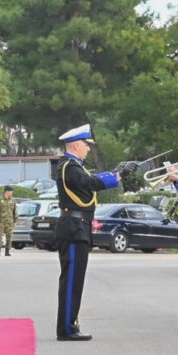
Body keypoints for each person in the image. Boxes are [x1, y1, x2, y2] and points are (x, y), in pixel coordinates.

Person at [54, 124, 126, 341]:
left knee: (75, 281)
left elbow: (89, 181)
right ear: (76, 145)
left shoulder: (74, 165)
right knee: (72, 281)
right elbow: (89, 182)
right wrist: (118, 176)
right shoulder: (68, 166)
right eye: (85, 145)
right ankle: (66, 327)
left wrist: (116, 173)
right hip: (74, 228)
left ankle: (70, 323)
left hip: (79, 227)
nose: (87, 149)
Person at [0, 185, 17, 257]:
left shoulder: (13, 200)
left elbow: (15, 211)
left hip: (10, 221)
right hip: (1, 221)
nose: (12, 193)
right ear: (7, 191)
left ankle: (7, 251)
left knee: (9, 236)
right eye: (11, 191)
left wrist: (15, 221)